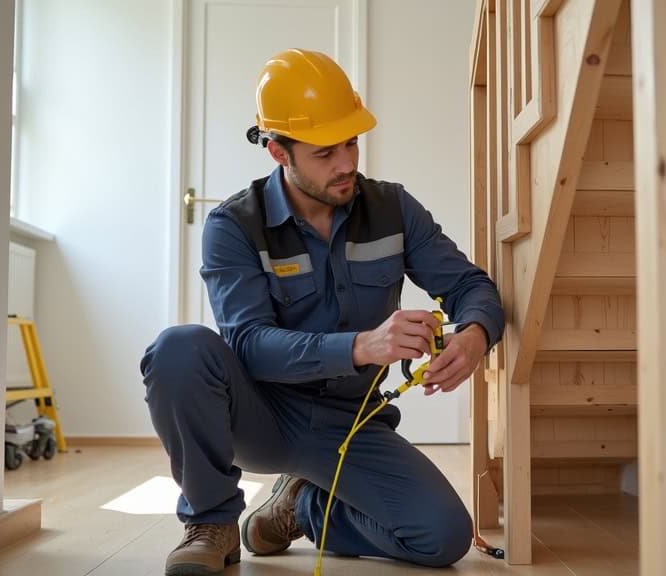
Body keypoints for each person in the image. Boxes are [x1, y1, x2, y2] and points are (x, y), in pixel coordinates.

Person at [140, 48, 504, 576]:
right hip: (261, 415)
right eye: (326, 151)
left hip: (350, 422)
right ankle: (212, 522)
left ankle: (305, 506)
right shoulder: (234, 226)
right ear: (278, 152)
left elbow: (470, 284)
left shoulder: (394, 209)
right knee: (179, 349)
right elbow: (247, 344)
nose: (348, 163)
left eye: (352, 142)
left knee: (442, 537)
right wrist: (362, 346)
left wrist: (474, 336)